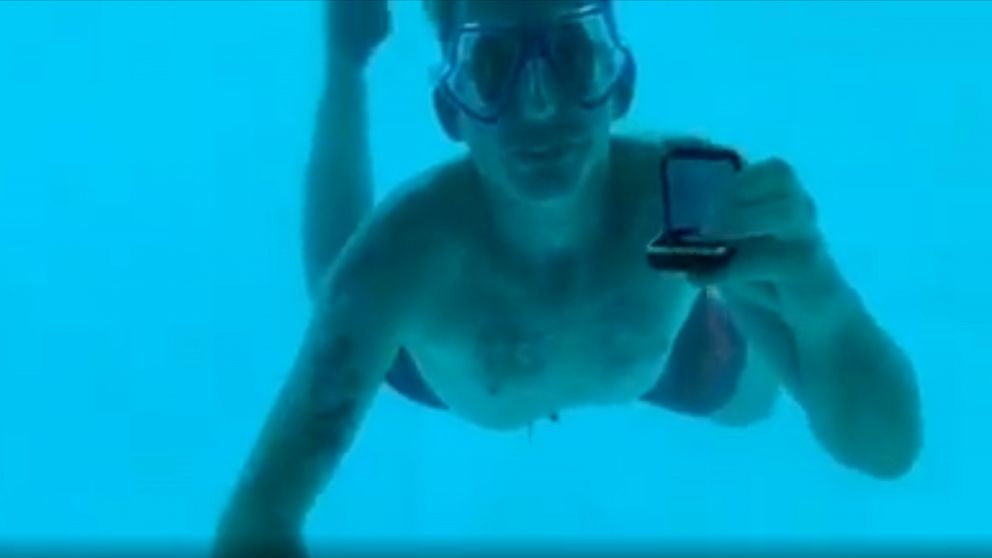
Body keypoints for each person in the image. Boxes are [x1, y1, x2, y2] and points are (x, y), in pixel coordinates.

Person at [213, 0, 922, 553]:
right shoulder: (402, 260)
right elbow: (261, 516)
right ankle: (348, 60)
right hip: (447, 360)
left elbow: (885, 449)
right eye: (492, 64)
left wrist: (824, 300)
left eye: (575, 55)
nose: (540, 104)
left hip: (660, 352)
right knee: (338, 287)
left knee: (755, 402)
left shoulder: (688, 204)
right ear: (450, 110)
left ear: (621, 85)